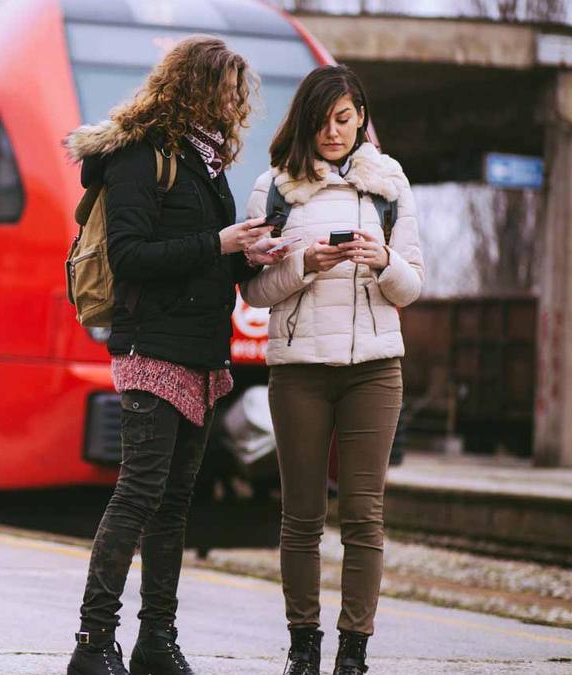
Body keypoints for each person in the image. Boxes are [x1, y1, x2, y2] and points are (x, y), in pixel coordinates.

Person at [64, 35, 286, 675]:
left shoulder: (208, 164)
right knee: (137, 494)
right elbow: (130, 257)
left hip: (201, 353)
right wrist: (217, 244)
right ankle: (93, 641)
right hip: (152, 347)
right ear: (198, 88)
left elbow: (202, 251)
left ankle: (156, 639)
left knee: (173, 505)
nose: (237, 106)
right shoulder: (141, 156)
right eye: (231, 92)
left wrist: (247, 254)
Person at [240, 65, 424, 675]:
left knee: (365, 514)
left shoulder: (389, 183)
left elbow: (413, 286)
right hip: (299, 371)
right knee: (301, 514)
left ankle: (353, 651)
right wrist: (306, 266)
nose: (333, 132)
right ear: (304, 123)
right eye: (322, 122)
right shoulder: (273, 187)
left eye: (344, 120)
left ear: (361, 118)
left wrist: (385, 260)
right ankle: (303, 646)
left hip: (375, 369)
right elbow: (255, 292)